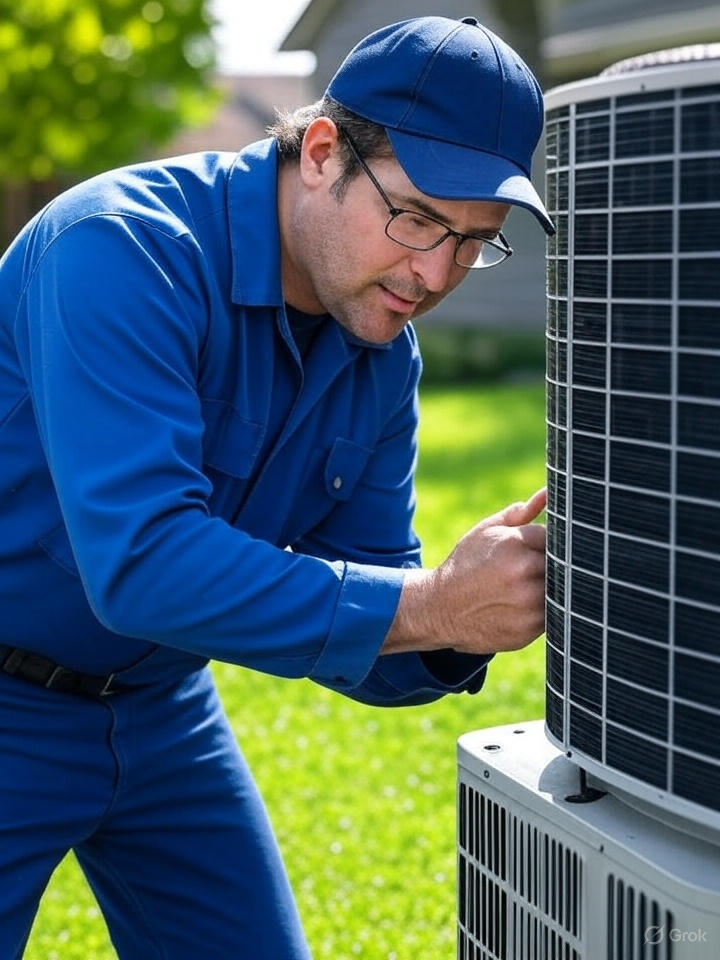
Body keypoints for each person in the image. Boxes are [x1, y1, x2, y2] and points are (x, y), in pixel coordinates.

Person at [0, 15, 553, 959]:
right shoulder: (121, 250)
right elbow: (143, 567)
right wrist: (429, 605)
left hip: (161, 702)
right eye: (418, 217)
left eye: (473, 241)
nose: (433, 273)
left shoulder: (382, 354)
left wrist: (467, 614)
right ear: (324, 151)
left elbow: (381, 613)